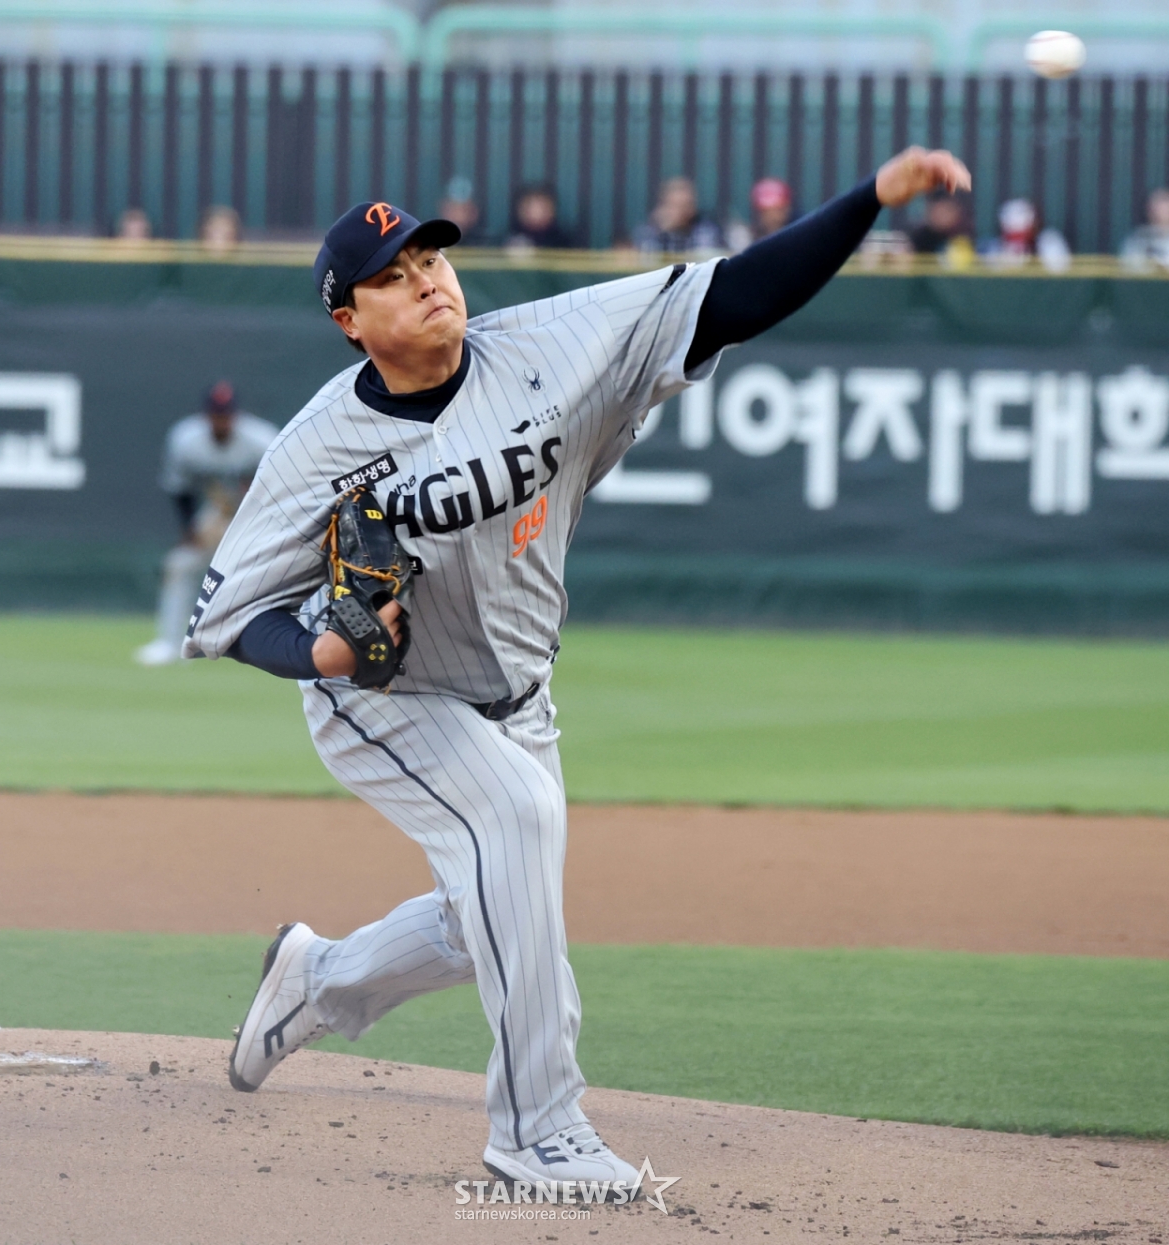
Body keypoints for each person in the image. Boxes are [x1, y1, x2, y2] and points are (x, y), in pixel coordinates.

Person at [185, 147, 970, 1194]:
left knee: (491, 912)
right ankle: (538, 1132)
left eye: (430, 256)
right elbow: (227, 616)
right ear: (349, 321)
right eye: (391, 274)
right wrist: (320, 650)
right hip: (387, 700)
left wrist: (870, 201)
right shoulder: (316, 448)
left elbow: (733, 296)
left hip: (519, 690)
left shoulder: (553, 346)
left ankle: (318, 981)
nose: (425, 278)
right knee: (514, 824)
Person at [133, 382, 277, 666]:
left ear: (237, 415)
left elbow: (284, 486)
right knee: (180, 564)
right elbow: (181, 489)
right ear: (206, 415)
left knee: (271, 577)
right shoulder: (186, 439)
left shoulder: (262, 439)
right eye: (216, 414)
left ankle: (270, 646)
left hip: (265, 513)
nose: (221, 420)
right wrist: (189, 530)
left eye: (226, 414)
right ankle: (170, 643)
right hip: (221, 511)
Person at [631, 176, 725, 254]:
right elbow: (645, 260)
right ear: (663, 206)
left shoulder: (705, 230)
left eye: (687, 205)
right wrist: (663, 232)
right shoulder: (649, 231)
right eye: (676, 205)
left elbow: (704, 259)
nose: (682, 212)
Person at [982, 197, 1070, 271]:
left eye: (1022, 234)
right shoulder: (995, 247)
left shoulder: (1049, 241)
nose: (1018, 239)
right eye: (1013, 235)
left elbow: (1060, 270)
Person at [506, 183, 575, 251]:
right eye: (529, 208)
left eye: (543, 208)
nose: (536, 214)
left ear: (553, 211)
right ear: (518, 211)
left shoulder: (565, 244)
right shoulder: (506, 241)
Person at [1121, 187, 1169, 269]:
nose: (1158, 210)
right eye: (1155, 205)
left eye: (1164, 204)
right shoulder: (1137, 238)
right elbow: (1129, 267)